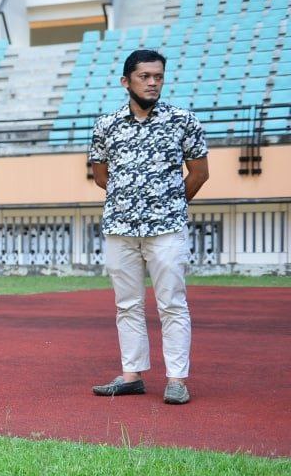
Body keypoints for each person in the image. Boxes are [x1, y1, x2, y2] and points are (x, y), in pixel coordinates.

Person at [88, 49, 209, 405]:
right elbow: (100, 175)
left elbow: (200, 173)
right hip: (120, 229)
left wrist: (168, 203)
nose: (153, 82)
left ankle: (176, 380)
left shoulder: (183, 121)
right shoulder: (106, 126)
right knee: (127, 304)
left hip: (167, 229)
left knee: (172, 303)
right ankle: (132, 375)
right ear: (126, 81)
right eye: (145, 76)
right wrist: (130, 202)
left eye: (158, 76)